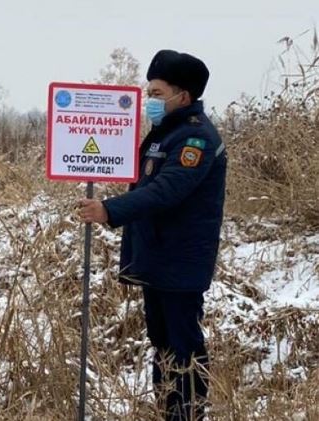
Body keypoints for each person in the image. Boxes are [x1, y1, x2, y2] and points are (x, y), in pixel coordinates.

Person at [78, 50, 227, 420]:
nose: (150, 101)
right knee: (161, 344)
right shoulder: (166, 134)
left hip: (181, 262)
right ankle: (166, 409)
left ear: (183, 96)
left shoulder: (196, 139)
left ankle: (188, 413)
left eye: (157, 94)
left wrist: (110, 210)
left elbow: (167, 190)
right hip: (158, 258)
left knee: (184, 346)